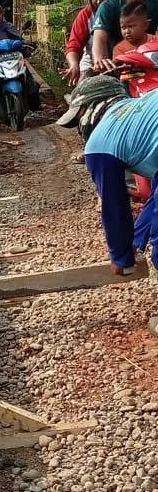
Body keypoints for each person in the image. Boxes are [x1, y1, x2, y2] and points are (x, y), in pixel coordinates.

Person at [55, 76, 158, 316]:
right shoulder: (138, 115)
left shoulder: (99, 142)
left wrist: (121, 258)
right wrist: (135, 241)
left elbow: (114, 205)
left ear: (90, 110)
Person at [62, 0, 122, 85]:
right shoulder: (85, 15)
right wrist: (74, 65)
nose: (99, 1)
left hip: (122, 64)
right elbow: (73, 46)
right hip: (92, 66)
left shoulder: (127, 12)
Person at [0, 4, 39, 116]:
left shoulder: (8, 26)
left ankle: (35, 104)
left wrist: (24, 42)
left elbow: (18, 37)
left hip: (12, 58)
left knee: (27, 77)